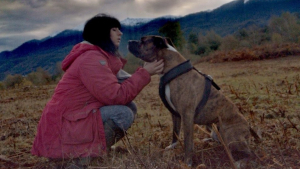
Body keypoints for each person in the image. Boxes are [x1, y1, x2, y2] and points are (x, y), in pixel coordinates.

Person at [31, 13, 164, 167]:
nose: (120, 33)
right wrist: (145, 73)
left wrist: (147, 72)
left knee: (130, 106)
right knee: (123, 114)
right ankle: (75, 160)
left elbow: (122, 84)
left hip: (71, 119)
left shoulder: (99, 57)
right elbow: (116, 96)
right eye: (114, 29)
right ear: (102, 33)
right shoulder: (91, 60)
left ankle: (94, 151)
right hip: (63, 128)